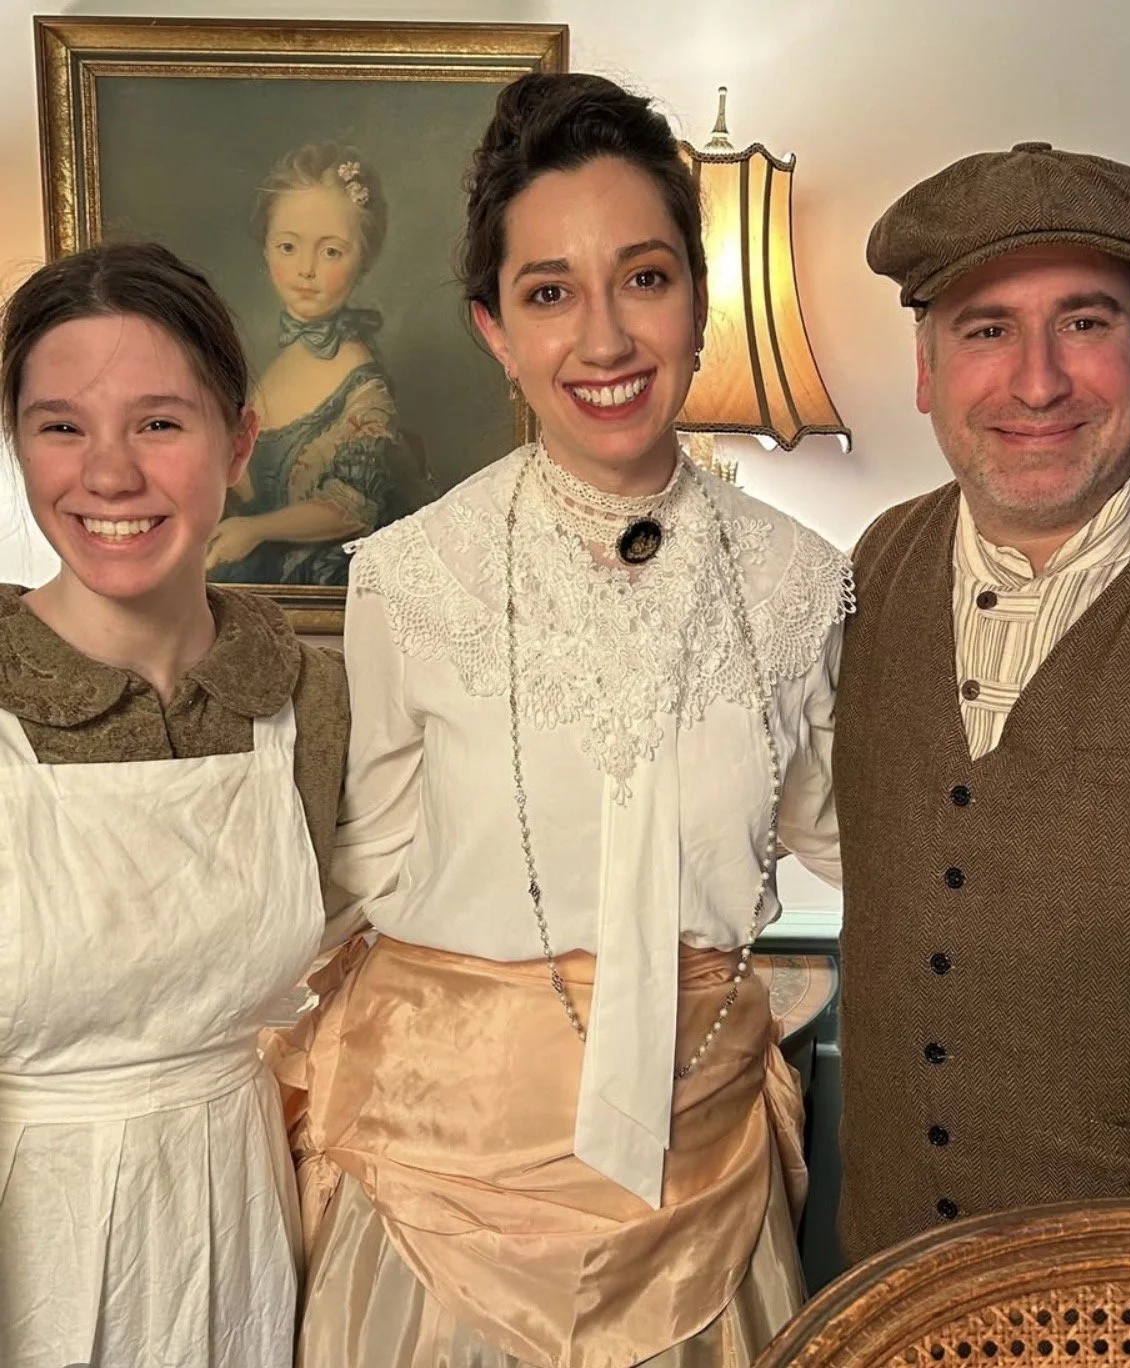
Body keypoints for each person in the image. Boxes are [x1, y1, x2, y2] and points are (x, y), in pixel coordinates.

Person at [281, 72, 853, 1368]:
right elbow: (352, 874)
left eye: (642, 277)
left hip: (697, 1191)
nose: (603, 338)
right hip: (439, 1199)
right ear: (493, 326)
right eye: (549, 292)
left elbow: (840, 833)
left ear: (696, 302)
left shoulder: (804, 582)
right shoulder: (408, 576)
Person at [834, 140, 1130, 1264]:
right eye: (987, 328)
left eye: (1085, 323)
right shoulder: (874, 566)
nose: (1036, 381)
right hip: (894, 1292)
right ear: (925, 367)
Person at [0, 241, 349, 1367]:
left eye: (158, 422)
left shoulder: (316, 703)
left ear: (239, 441)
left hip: (241, 1242)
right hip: (26, 1251)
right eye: (61, 426)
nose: (107, 476)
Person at [207, 142, 433, 586]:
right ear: (266, 248)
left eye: (331, 252)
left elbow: (352, 507)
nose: (305, 269)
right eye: (288, 246)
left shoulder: (363, 384)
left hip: (326, 590)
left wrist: (255, 529)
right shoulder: (284, 359)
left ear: (362, 261)